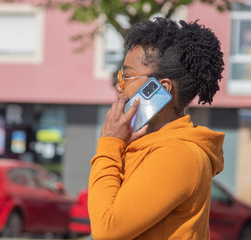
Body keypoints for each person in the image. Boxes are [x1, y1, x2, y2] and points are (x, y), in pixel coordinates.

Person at [88, 17, 225, 240]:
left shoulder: (177, 154)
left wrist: (109, 144)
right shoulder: (152, 147)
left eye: (127, 76)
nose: (118, 85)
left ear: (161, 90)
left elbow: (107, 230)